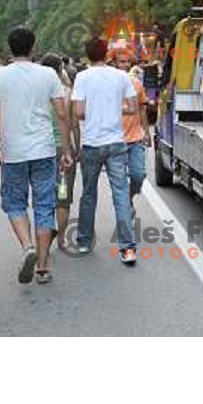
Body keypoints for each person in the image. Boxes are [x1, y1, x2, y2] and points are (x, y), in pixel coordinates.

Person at [0, 27, 72, 284]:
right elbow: (62, 114)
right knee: (45, 204)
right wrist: (66, 149)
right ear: (33, 47)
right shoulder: (48, 74)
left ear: (9, 49)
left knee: (14, 203)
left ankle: (27, 246)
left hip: (13, 152)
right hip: (44, 150)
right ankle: (43, 267)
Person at [71, 36, 138, 265]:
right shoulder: (121, 76)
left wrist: (95, 108)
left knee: (88, 193)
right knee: (120, 193)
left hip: (91, 143)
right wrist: (114, 107)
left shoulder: (82, 77)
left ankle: (83, 241)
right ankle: (128, 249)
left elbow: (78, 112)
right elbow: (133, 107)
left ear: (88, 55)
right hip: (116, 143)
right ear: (107, 54)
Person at [41, 53, 80, 250]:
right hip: (63, 152)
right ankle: (62, 239)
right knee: (62, 195)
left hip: (41, 151)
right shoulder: (67, 92)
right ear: (60, 69)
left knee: (44, 197)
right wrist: (76, 149)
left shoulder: (37, 92)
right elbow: (73, 125)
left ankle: (43, 238)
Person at [112, 44, 152, 219]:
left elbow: (142, 110)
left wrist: (147, 131)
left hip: (135, 138)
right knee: (119, 181)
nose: (125, 65)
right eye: (121, 62)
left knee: (138, 175)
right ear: (114, 63)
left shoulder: (136, 84)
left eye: (127, 62)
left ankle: (128, 199)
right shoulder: (109, 84)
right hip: (115, 140)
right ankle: (124, 212)